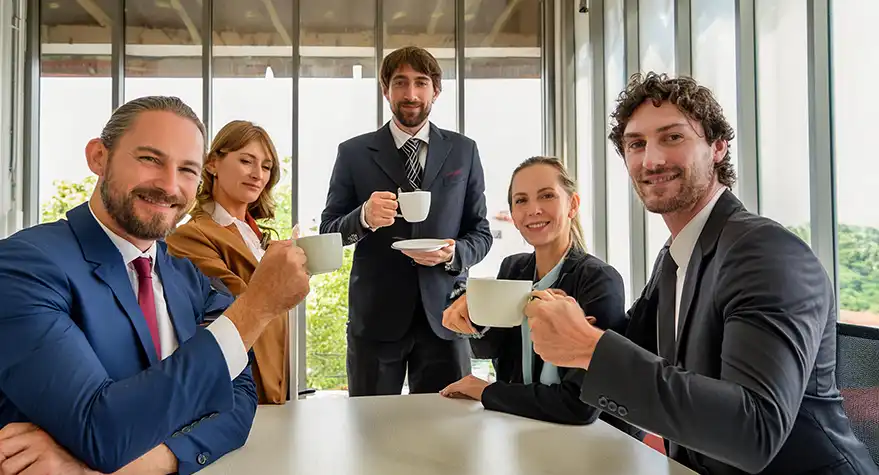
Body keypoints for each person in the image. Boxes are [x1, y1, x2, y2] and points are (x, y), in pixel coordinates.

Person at [523, 73, 878, 474]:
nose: (651, 160)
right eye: (636, 144)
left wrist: (588, 347)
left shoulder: (765, 252)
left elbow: (754, 430)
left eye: (672, 137)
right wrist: (560, 316)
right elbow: (630, 351)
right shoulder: (676, 257)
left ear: (718, 147)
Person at [0, 96, 310, 475]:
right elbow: (103, 431)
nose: (169, 185)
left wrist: (103, 468)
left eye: (187, 170)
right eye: (150, 159)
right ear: (99, 157)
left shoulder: (188, 278)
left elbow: (239, 398)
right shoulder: (22, 267)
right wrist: (257, 307)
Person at [320, 46, 493, 396]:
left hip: (447, 318)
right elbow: (328, 232)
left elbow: (481, 233)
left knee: (446, 424)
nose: (410, 94)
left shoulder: (464, 151)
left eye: (421, 83)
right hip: (376, 320)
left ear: (436, 91)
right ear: (386, 90)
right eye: (400, 82)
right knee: (372, 423)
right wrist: (363, 217)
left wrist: (453, 253)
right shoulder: (353, 153)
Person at [439, 157, 637, 436]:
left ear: (573, 205)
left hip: (593, 441)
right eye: (521, 200)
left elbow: (579, 406)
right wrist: (474, 314)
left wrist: (485, 391)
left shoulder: (599, 280)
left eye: (547, 196)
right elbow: (489, 349)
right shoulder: (513, 268)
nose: (533, 210)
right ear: (513, 215)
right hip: (523, 429)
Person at [166, 120, 291, 405]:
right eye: (246, 161)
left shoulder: (259, 238)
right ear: (212, 164)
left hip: (278, 385)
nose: (257, 174)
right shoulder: (190, 236)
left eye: (266, 167)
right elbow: (236, 305)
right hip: (238, 388)